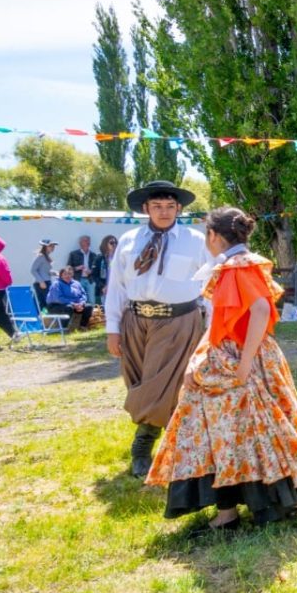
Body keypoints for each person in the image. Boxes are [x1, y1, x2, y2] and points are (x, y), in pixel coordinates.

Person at [146, 207, 297, 532]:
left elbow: (261, 309)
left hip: (242, 355)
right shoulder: (235, 265)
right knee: (241, 428)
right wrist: (198, 356)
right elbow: (221, 320)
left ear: (214, 236)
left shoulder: (236, 267)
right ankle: (238, 506)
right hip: (233, 352)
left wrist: (244, 364)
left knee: (233, 427)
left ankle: (233, 510)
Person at [104, 180, 210, 478]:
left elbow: (210, 284)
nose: (164, 212)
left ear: (179, 208)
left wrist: (212, 329)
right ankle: (175, 442)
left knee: (161, 383)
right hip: (135, 321)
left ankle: (143, 445)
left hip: (178, 321)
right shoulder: (128, 240)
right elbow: (117, 287)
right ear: (146, 209)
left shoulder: (195, 241)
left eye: (169, 206)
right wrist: (113, 329)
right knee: (139, 381)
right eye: (157, 207)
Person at [46, 266, 94, 330]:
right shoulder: (57, 284)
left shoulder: (77, 283)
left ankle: (82, 326)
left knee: (88, 307)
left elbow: (83, 295)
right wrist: (73, 304)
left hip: (75, 305)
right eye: (65, 274)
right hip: (56, 306)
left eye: (69, 274)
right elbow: (59, 298)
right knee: (69, 308)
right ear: (61, 275)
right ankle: (64, 328)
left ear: (72, 274)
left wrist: (81, 303)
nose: (67, 276)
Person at [67, 235, 99, 304]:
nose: (87, 242)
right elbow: (68, 268)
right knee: (79, 299)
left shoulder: (94, 255)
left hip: (90, 280)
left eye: (88, 241)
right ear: (80, 243)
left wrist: (91, 271)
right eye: (84, 241)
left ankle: (91, 314)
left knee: (91, 300)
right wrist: (77, 268)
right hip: (78, 280)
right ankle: (80, 314)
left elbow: (97, 269)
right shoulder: (73, 254)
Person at [31, 239, 56, 310]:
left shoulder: (47, 257)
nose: (53, 247)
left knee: (47, 303)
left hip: (47, 282)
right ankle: (42, 319)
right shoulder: (40, 256)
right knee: (42, 303)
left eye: (53, 246)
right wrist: (41, 281)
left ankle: (46, 319)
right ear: (45, 246)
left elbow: (44, 271)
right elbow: (33, 270)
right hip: (41, 284)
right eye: (50, 246)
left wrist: (54, 273)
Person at [94, 234, 119, 304]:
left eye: (115, 243)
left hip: (117, 290)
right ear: (105, 244)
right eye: (111, 243)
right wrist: (102, 287)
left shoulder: (119, 258)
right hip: (104, 290)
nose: (114, 244)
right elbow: (95, 276)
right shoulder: (99, 258)